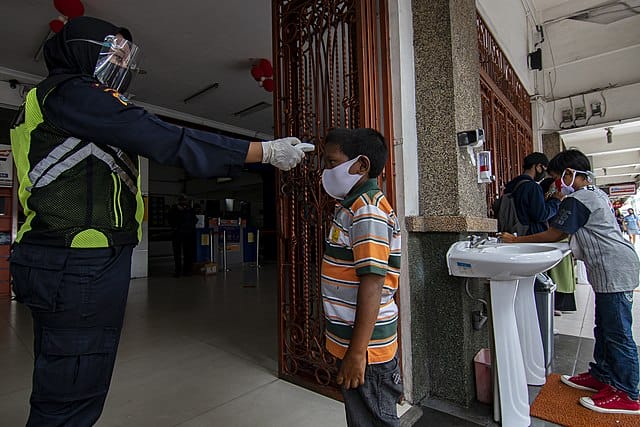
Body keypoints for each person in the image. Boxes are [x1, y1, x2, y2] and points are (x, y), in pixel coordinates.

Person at [9, 16, 308, 426]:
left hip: (69, 255)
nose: (121, 66)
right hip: (77, 257)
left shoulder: (68, 102)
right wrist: (263, 152)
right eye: (113, 55)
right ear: (83, 50)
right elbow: (164, 137)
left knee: (69, 372)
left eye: (125, 58)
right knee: (73, 383)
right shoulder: (72, 93)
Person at [500, 150, 640, 415]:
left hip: (614, 268)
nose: (556, 183)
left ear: (570, 173)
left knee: (618, 333)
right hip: (612, 267)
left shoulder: (578, 199)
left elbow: (555, 233)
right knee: (605, 327)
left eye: (558, 177)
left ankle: (627, 393)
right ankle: (602, 375)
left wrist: (515, 240)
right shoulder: (595, 194)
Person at [320, 128, 402, 426]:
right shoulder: (353, 206)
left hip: (367, 351)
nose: (326, 171)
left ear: (361, 165)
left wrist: (357, 353)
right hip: (359, 346)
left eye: (332, 163)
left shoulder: (367, 210)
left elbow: (373, 281)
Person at [499, 152, 560, 235]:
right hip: (530, 234)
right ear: (538, 166)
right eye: (544, 170)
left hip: (514, 231)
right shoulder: (533, 187)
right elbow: (541, 215)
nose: (544, 175)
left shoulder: (512, 185)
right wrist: (555, 201)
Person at [168, 195, 197, 276]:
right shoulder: (189, 210)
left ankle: (180, 271)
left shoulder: (175, 209)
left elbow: (170, 220)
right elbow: (194, 220)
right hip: (185, 234)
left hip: (179, 233)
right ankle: (185, 271)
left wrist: (175, 227)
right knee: (186, 253)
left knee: (179, 253)